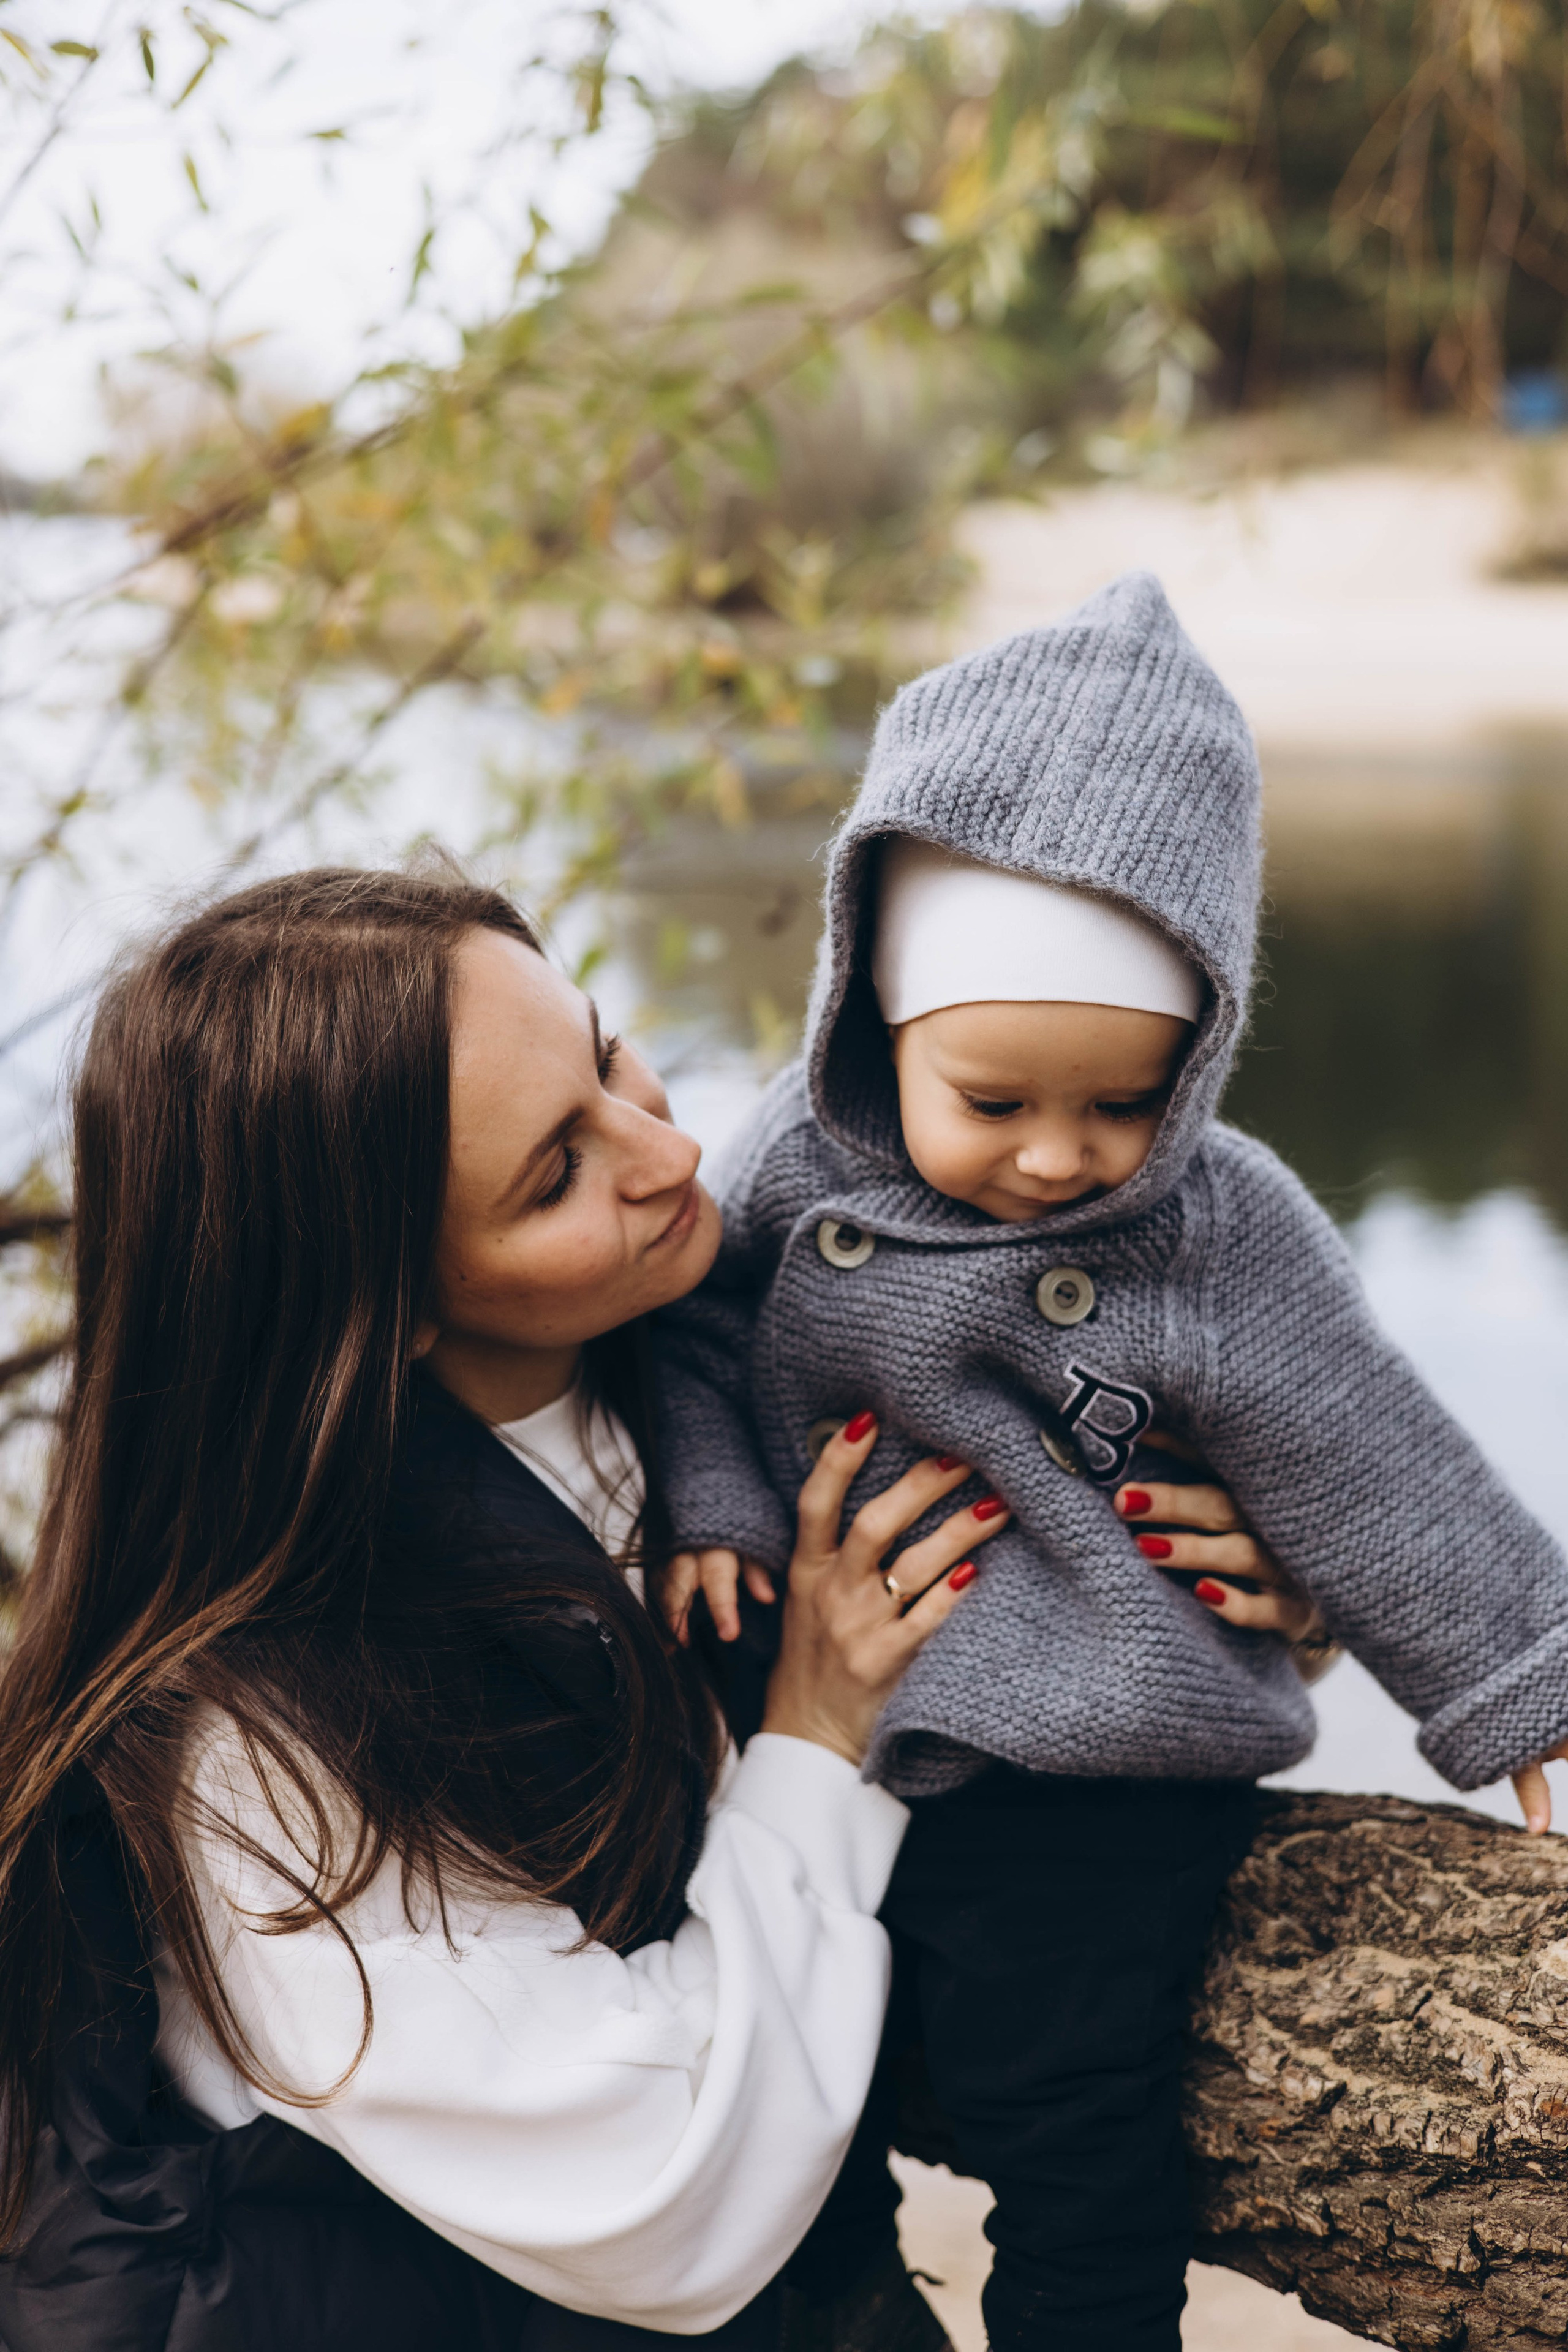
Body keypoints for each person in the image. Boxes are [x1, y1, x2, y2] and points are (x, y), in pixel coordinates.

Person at [650, 572, 1568, 2352]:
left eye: (1123, 1103)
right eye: (992, 1102)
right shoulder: (795, 1160)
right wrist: (710, 1502)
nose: (1057, 1157)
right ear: (878, 1021)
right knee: (805, 2086)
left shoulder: (1216, 1228)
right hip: (814, 1721)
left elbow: (1374, 1461)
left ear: (1196, 1057)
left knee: (1077, 2127)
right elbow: (692, 1329)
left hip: (1093, 1743)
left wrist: (1527, 1683)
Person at [0, 867, 1017, 2352]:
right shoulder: (261, 1743)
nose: (670, 1149)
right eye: (555, 1176)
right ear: (385, 1306)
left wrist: (1246, 1589)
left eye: (606, 1054)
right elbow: (656, 2195)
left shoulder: (733, 1349)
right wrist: (812, 1735)